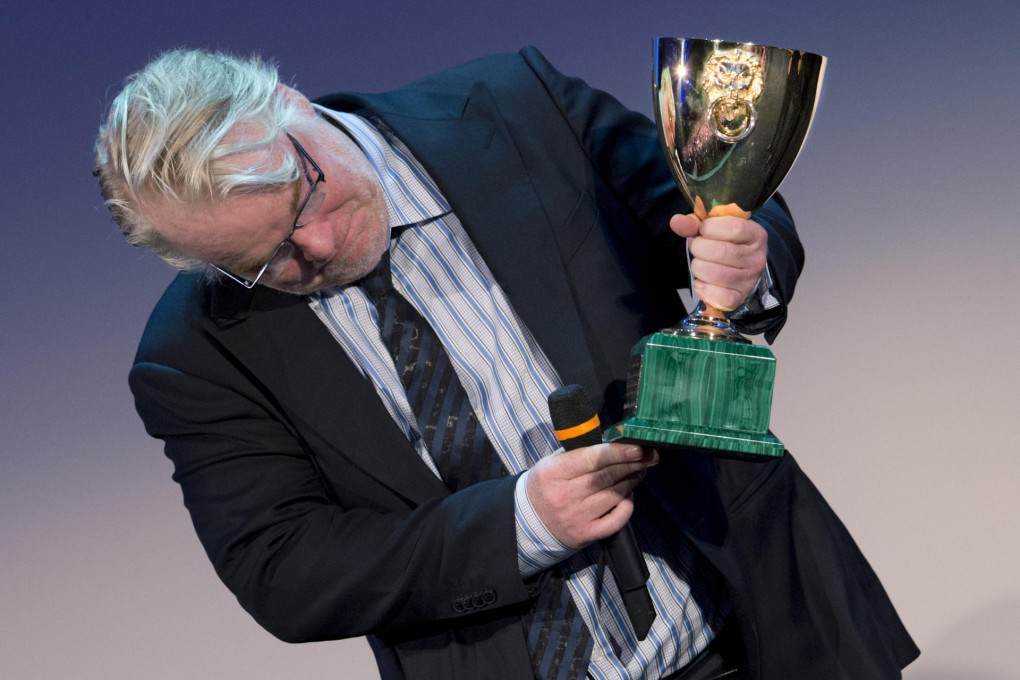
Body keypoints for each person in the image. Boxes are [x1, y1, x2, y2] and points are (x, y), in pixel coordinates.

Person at [95, 47, 918, 680]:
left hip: (758, 623)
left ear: (290, 104)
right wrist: (522, 525)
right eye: (266, 258)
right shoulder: (193, 355)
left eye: (302, 196)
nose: (316, 245)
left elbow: (723, 202)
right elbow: (286, 570)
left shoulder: (517, 106)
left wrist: (746, 259)